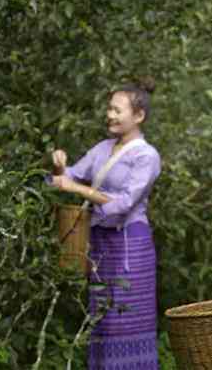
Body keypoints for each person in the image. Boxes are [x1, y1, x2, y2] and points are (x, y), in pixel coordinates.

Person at [46, 77, 161, 369]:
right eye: (109, 108)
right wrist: (60, 166)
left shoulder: (146, 156)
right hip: (99, 243)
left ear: (138, 116)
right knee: (101, 320)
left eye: (117, 110)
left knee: (125, 321)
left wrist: (75, 189)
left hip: (129, 247)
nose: (110, 115)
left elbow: (123, 203)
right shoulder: (102, 147)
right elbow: (71, 176)